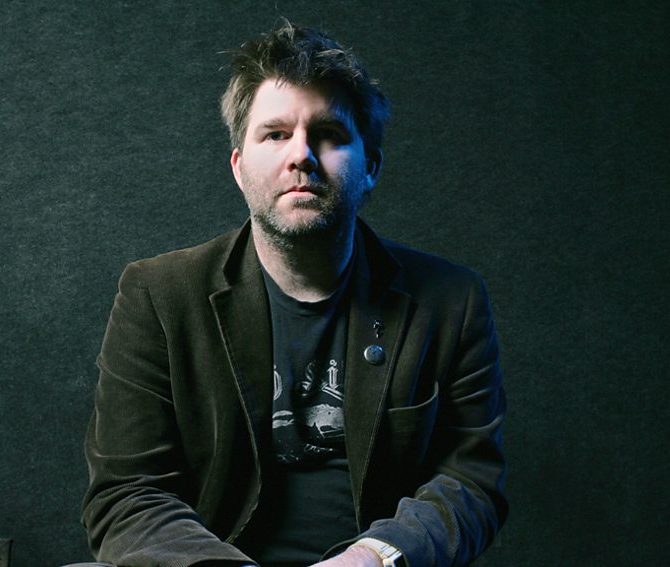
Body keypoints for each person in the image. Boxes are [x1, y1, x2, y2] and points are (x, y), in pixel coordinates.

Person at [81, 20, 507, 567]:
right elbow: (126, 494)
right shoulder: (157, 295)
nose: (301, 154)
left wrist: (372, 559)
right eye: (276, 134)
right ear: (239, 167)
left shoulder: (450, 301)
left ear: (371, 167)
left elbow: (470, 481)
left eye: (328, 133)